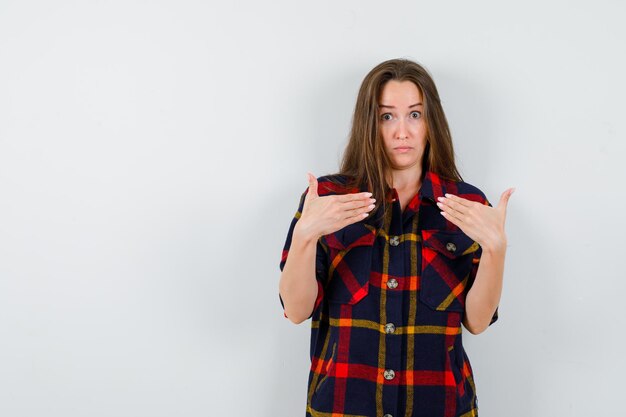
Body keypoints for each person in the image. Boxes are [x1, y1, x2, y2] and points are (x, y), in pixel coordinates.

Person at [278, 58, 513, 417]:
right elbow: (295, 310)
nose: (402, 132)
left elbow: (477, 321)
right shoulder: (326, 199)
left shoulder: (467, 205)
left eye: (414, 115)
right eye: (387, 116)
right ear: (369, 124)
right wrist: (306, 236)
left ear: (431, 122)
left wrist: (497, 249)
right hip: (342, 407)